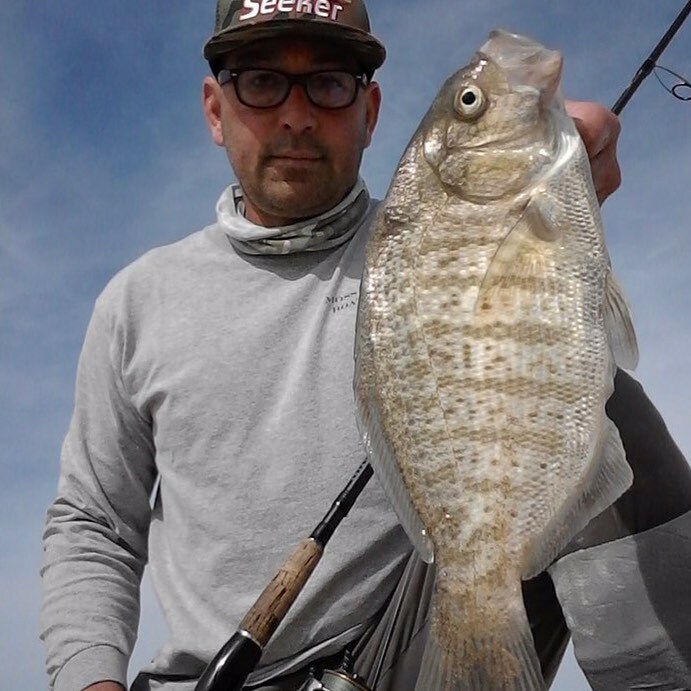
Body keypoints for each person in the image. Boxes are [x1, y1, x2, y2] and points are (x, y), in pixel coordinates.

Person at [40, 2, 691, 690]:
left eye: (328, 83)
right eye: (261, 81)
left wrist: (565, 146)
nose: (295, 115)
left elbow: (545, 250)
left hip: (406, 647)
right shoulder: (136, 302)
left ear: (370, 110)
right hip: (217, 677)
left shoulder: (447, 224)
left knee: (602, 413)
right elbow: (94, 524)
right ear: (213, 107)